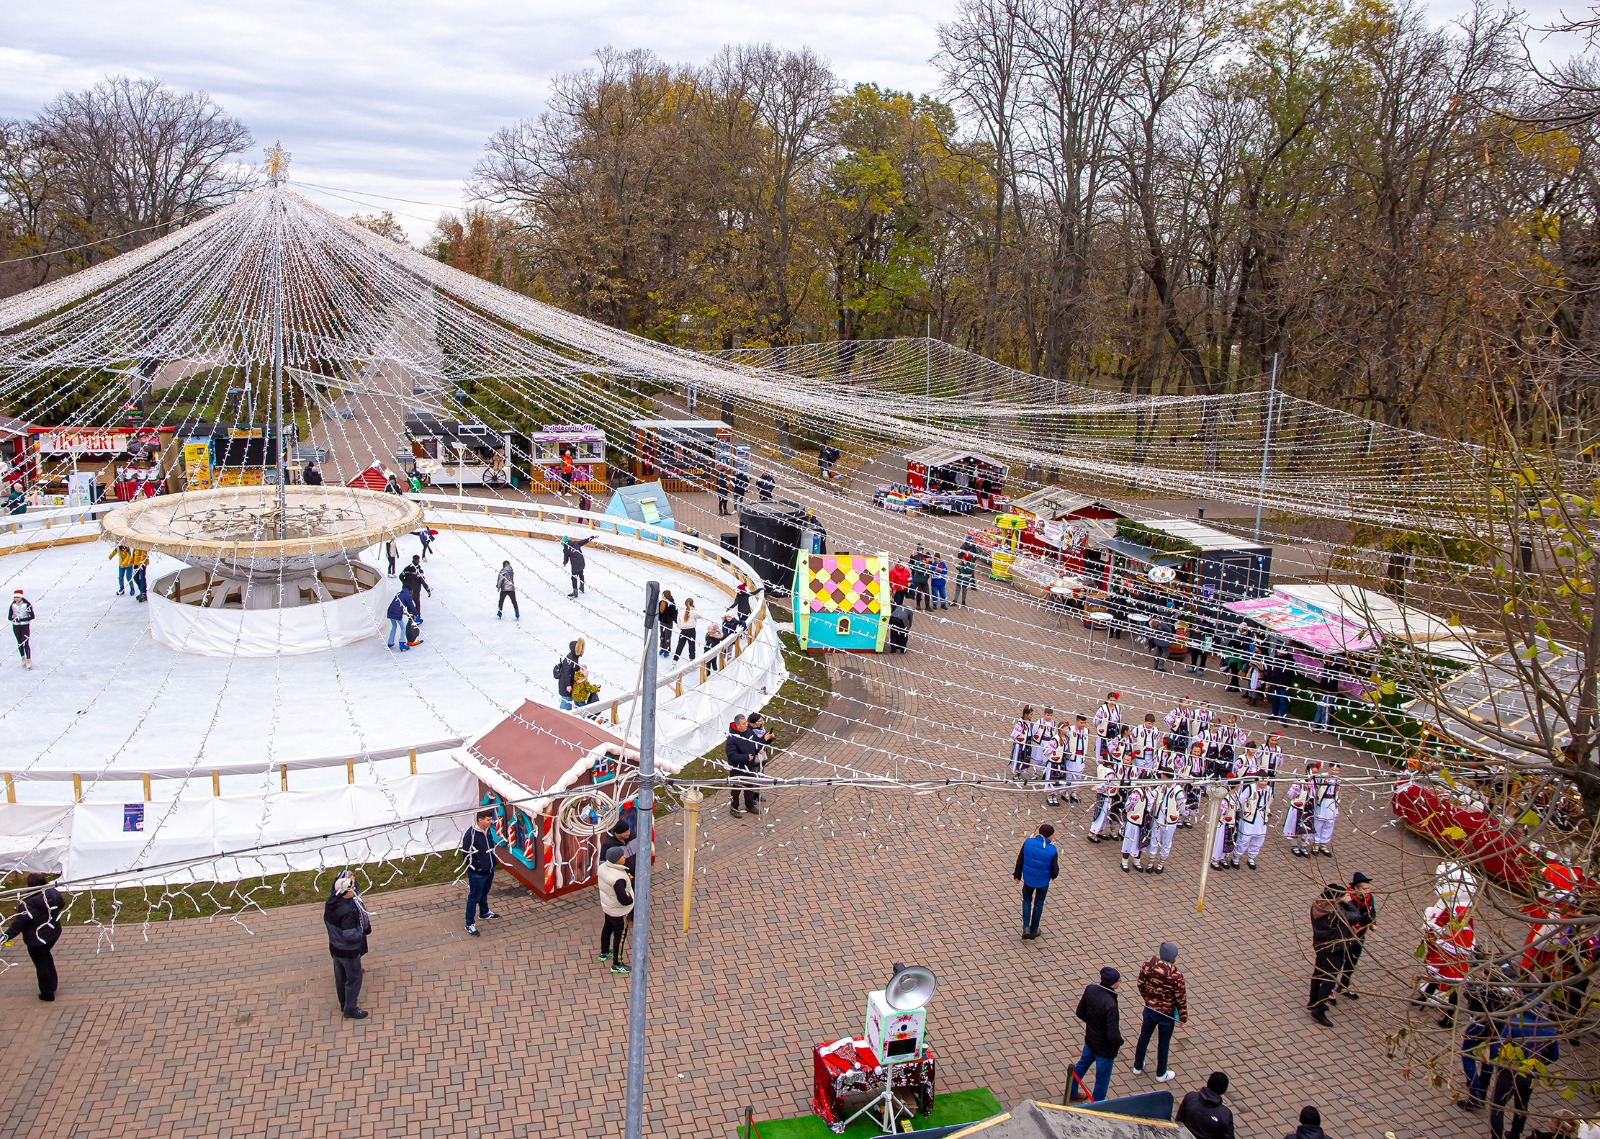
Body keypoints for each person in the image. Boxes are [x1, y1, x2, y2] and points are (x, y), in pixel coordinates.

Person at [1490, 1000, 1561, 1139]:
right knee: (1522, 1104)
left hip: (1509, 1072)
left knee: (1497, 1106)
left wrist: (1498, 1064)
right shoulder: (1550, 1028)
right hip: (1531, 1074)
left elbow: (1498, 1049)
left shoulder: (1514, 1025)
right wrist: (1538, 1064)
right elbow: (1554, 1056)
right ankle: (1515, 1133)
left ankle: (1496, 1137)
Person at [3, 872, 65, 1001]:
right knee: (46, 957)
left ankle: (47, 993)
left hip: (37, 940)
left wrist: (5, 937)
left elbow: (18, 924)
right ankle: (52, 985)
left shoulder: (27, 905)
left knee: (41, 965)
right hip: (53, 933)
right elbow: (62, 904)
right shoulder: (53, 893)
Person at [1132, 941, 1187, 1081]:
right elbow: (1180, 999)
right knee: (1163, 1042)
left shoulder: (1148, 965)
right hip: (1166, 1015)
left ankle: (1137, 1066)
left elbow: (1140, 983)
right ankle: (1161, 1073)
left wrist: (1147, 999)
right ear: (1173, 958)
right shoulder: (1176, 976)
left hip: (1150, 1009)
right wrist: (1182, 1018)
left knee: (1144, 1036)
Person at [1070, 967, 1123, 1102]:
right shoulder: (1111, 1004)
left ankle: (1071, 1090)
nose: (1120, 982)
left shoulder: (1091, 989)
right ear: (1112, 984)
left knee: (1082, 1065)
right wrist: (1119, 1042)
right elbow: (1112, 1035)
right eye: (1119, 980)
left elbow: (1080, 1012)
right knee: (1101, 1080)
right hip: (1104, 1050)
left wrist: (1093, 1025)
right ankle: (1097, 1107)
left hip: (1090, 1040)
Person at [324, 871, 372, 1019]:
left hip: (335, 948)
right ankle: (350, 1009)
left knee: (340, 977)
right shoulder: (347, 912)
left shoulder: (331, 902)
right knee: (354, 978)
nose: (354, 890)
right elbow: (350, 935)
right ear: (346, 892)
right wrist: (360, 934)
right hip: (348, 951)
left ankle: (344, 1003)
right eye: (352, 888)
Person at [1308, 882, 1355, 1026]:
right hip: (1334, 948)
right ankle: (1318, 1009)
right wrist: (1348, 903)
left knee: (1318, 973)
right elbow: (1356, 916)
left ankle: (1313, 1000)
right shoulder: (1336, 912)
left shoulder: (1317, 905)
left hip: (1320, 944)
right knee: (1329, 979)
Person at [1012, 823, 1059, 939]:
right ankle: (1034, 930)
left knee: (1027, 900)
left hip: (1028, 879)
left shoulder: (1028, 842)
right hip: (1042, 882)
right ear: (1049, 835)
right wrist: (1053, 876)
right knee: (1038, 904)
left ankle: (1026, 927)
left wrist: (1017, 875)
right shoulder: (1052, 850)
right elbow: (1054, 871)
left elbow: (1020, 859)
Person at [460, 808, 502, 935]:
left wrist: (492, 862)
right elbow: (466, 856)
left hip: (489, 870)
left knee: (484, 893)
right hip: (477, 874)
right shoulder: (470, 836)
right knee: (474, 897)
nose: (491, 822)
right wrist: (478, 867)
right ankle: (469, 924)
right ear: (480, 820)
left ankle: (484, 912)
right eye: (488, 820)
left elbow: (490, 847)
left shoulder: (487, 831)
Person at [1336, 871, 1376, 998]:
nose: (1367, 891)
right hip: (1345, 937)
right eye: (1365, 889)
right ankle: (1329, 990)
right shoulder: (1346, 900)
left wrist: (1372, 923)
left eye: (1369, 888)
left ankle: (1343, 986)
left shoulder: (1369, 898)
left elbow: (1372, 912)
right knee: (1336, 963)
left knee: (1352, 962)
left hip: (1359, 936)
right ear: (1355, 888)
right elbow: (1344, 918)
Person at [597, 845, 634, 973]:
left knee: (607, 928)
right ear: (616, 860)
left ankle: (604, 951)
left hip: (608, 907)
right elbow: (624, 900)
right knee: (620, 935)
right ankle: (617, 964)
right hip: (619, 912)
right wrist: (631, 898)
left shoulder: (602, 868)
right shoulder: (618, 878)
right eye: (621, 855)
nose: (624, 857)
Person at [724, 713, 764, 817]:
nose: (746, 725)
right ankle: (734, 808)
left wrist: (759, 750)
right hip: (737, 769)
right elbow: (731, 755)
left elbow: (755, 743)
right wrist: (746, 758)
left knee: (750, 786)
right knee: (736, 789)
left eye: (746, 722)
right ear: (737, 726)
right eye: (743, 723)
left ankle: (749, 805)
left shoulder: (748, 732)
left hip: (749, 767)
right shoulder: (732, 739)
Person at [1176, 1073, 1235, 1139]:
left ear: (1208, 1083)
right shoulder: (1225, 1114)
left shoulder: (1190, 1097)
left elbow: (1179, 1122)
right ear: (1223, 1090)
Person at [386, 586, 420, 651]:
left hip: (390, 611)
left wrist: (406, 613)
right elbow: (411, 606)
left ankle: (390, 642)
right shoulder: (407, 595)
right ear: (410, 591)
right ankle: (402, 643)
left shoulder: (400, 594)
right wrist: (416, 614)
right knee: (403, 627)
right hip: (396, 613)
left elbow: (398, 605)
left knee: (394, 626)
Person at [556, 639, 585, 710]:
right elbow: (566, 673)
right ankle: (561, 716)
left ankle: (567, 715)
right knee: (566, 701)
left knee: (569, 701)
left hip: (570, 682)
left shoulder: (574, 657)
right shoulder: (569, 659)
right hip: (565, 684)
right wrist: (568, 685)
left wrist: (579, 668)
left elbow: (573, 668)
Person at [658, 590, 678, 657]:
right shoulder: (661, 602)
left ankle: (667, 650)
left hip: (668, 623)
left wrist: (676, 621)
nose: (662, 596)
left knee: (667, 637)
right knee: (662, 636)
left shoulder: (671, 604)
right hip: (662, 622)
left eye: (663, 595)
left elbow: (674, 614)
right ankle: (662, 648)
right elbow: (658, 612)